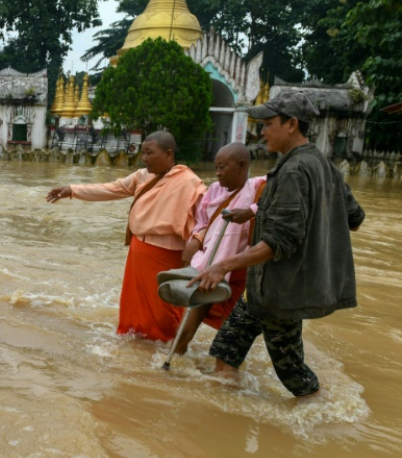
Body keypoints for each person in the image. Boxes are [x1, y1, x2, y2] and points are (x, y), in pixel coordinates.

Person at [190, 91, 365, 397]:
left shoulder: (294, 171)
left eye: (268, 124)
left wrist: (222, 266)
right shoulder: (324, 165)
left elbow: (279, 241)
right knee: (225, 352)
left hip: (281, 293)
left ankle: (324, 425)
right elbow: (354, 217)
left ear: (291, 124)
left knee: (295, 377)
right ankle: (222, 423)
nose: (262, 132)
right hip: (264, 287)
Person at [46, 131, 206, 341]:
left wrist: (197, 241)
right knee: (135, 306)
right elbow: (111, 189)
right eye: (143, 153)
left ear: (168, 153)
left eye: (149, 153)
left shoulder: (190, 183)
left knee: (165, 310)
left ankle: (168, 347)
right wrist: (73, 190)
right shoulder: (142, 176)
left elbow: (207, 218)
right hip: (139, 249)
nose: (144, 158)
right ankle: (137, 347)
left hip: (170, 255)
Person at [172, 143, 266, 355]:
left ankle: (223, 380)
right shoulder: (214, 190)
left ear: (242, 166)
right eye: (216, 167)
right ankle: (172, 369)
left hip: (241, 272)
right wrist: (195, 242)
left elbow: (277, 205)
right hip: (211, 266)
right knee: (184, 332)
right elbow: (202, 223)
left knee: (232, 337)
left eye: (223, 167)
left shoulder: (260, 187)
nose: (218, 173)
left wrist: (250, 211)